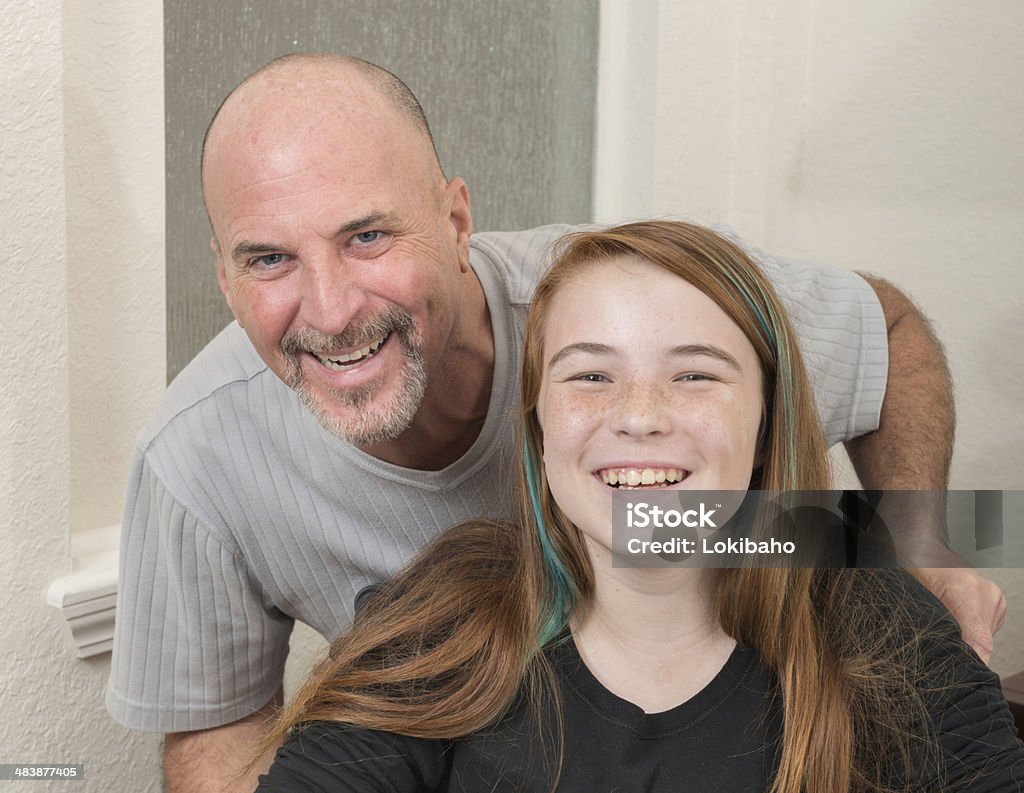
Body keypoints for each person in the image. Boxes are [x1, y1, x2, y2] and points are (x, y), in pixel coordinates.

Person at [105, 53, 1004, 792]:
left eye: (368, 236)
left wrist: (916, 534)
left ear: (456, 221)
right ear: (539, 423)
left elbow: (888, 332)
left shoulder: (844, 582)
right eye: (269, 258)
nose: (332, 310)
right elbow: (221, 741)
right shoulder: (415, 607)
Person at [254, 221, 1024, 792]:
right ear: (540, 424)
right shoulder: (437, 617)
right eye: (590, 376)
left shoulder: (877, 617)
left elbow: (888, 330)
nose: (641, 415)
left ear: (765, 425)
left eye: (696, 376)